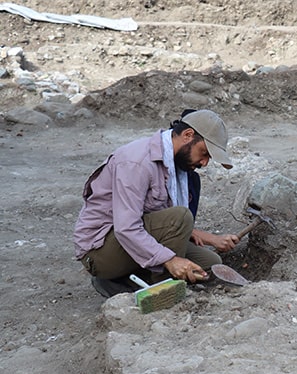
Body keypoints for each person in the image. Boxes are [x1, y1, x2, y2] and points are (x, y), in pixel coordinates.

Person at [74, 109, 240, 298]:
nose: (204, 163)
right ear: (187, 135)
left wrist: (207, 238)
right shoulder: (137, 162)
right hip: (100, 251)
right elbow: (127, 228)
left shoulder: (176, 167)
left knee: (210, 262)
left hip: (128, 240)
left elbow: (156, 217)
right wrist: (170, 260)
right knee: (180, 218)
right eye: (204, 153)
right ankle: (160, 290)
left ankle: (126, 280)